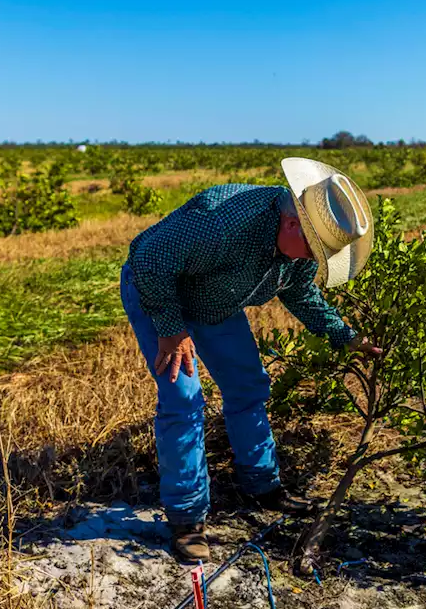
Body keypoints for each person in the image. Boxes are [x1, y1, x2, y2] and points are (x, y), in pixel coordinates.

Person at [121, 157, 379, 562]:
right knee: (184, 399)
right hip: (159, 293)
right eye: (316, 250)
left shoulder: (295, 250)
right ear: (294, 223)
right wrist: (171, 329)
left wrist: (345, 337)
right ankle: (187, 519)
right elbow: (150, 258)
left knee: (247, 386)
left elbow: (299, 294)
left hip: (216, 302)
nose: (314, 260)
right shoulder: (222, 220)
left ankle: (262, 486)